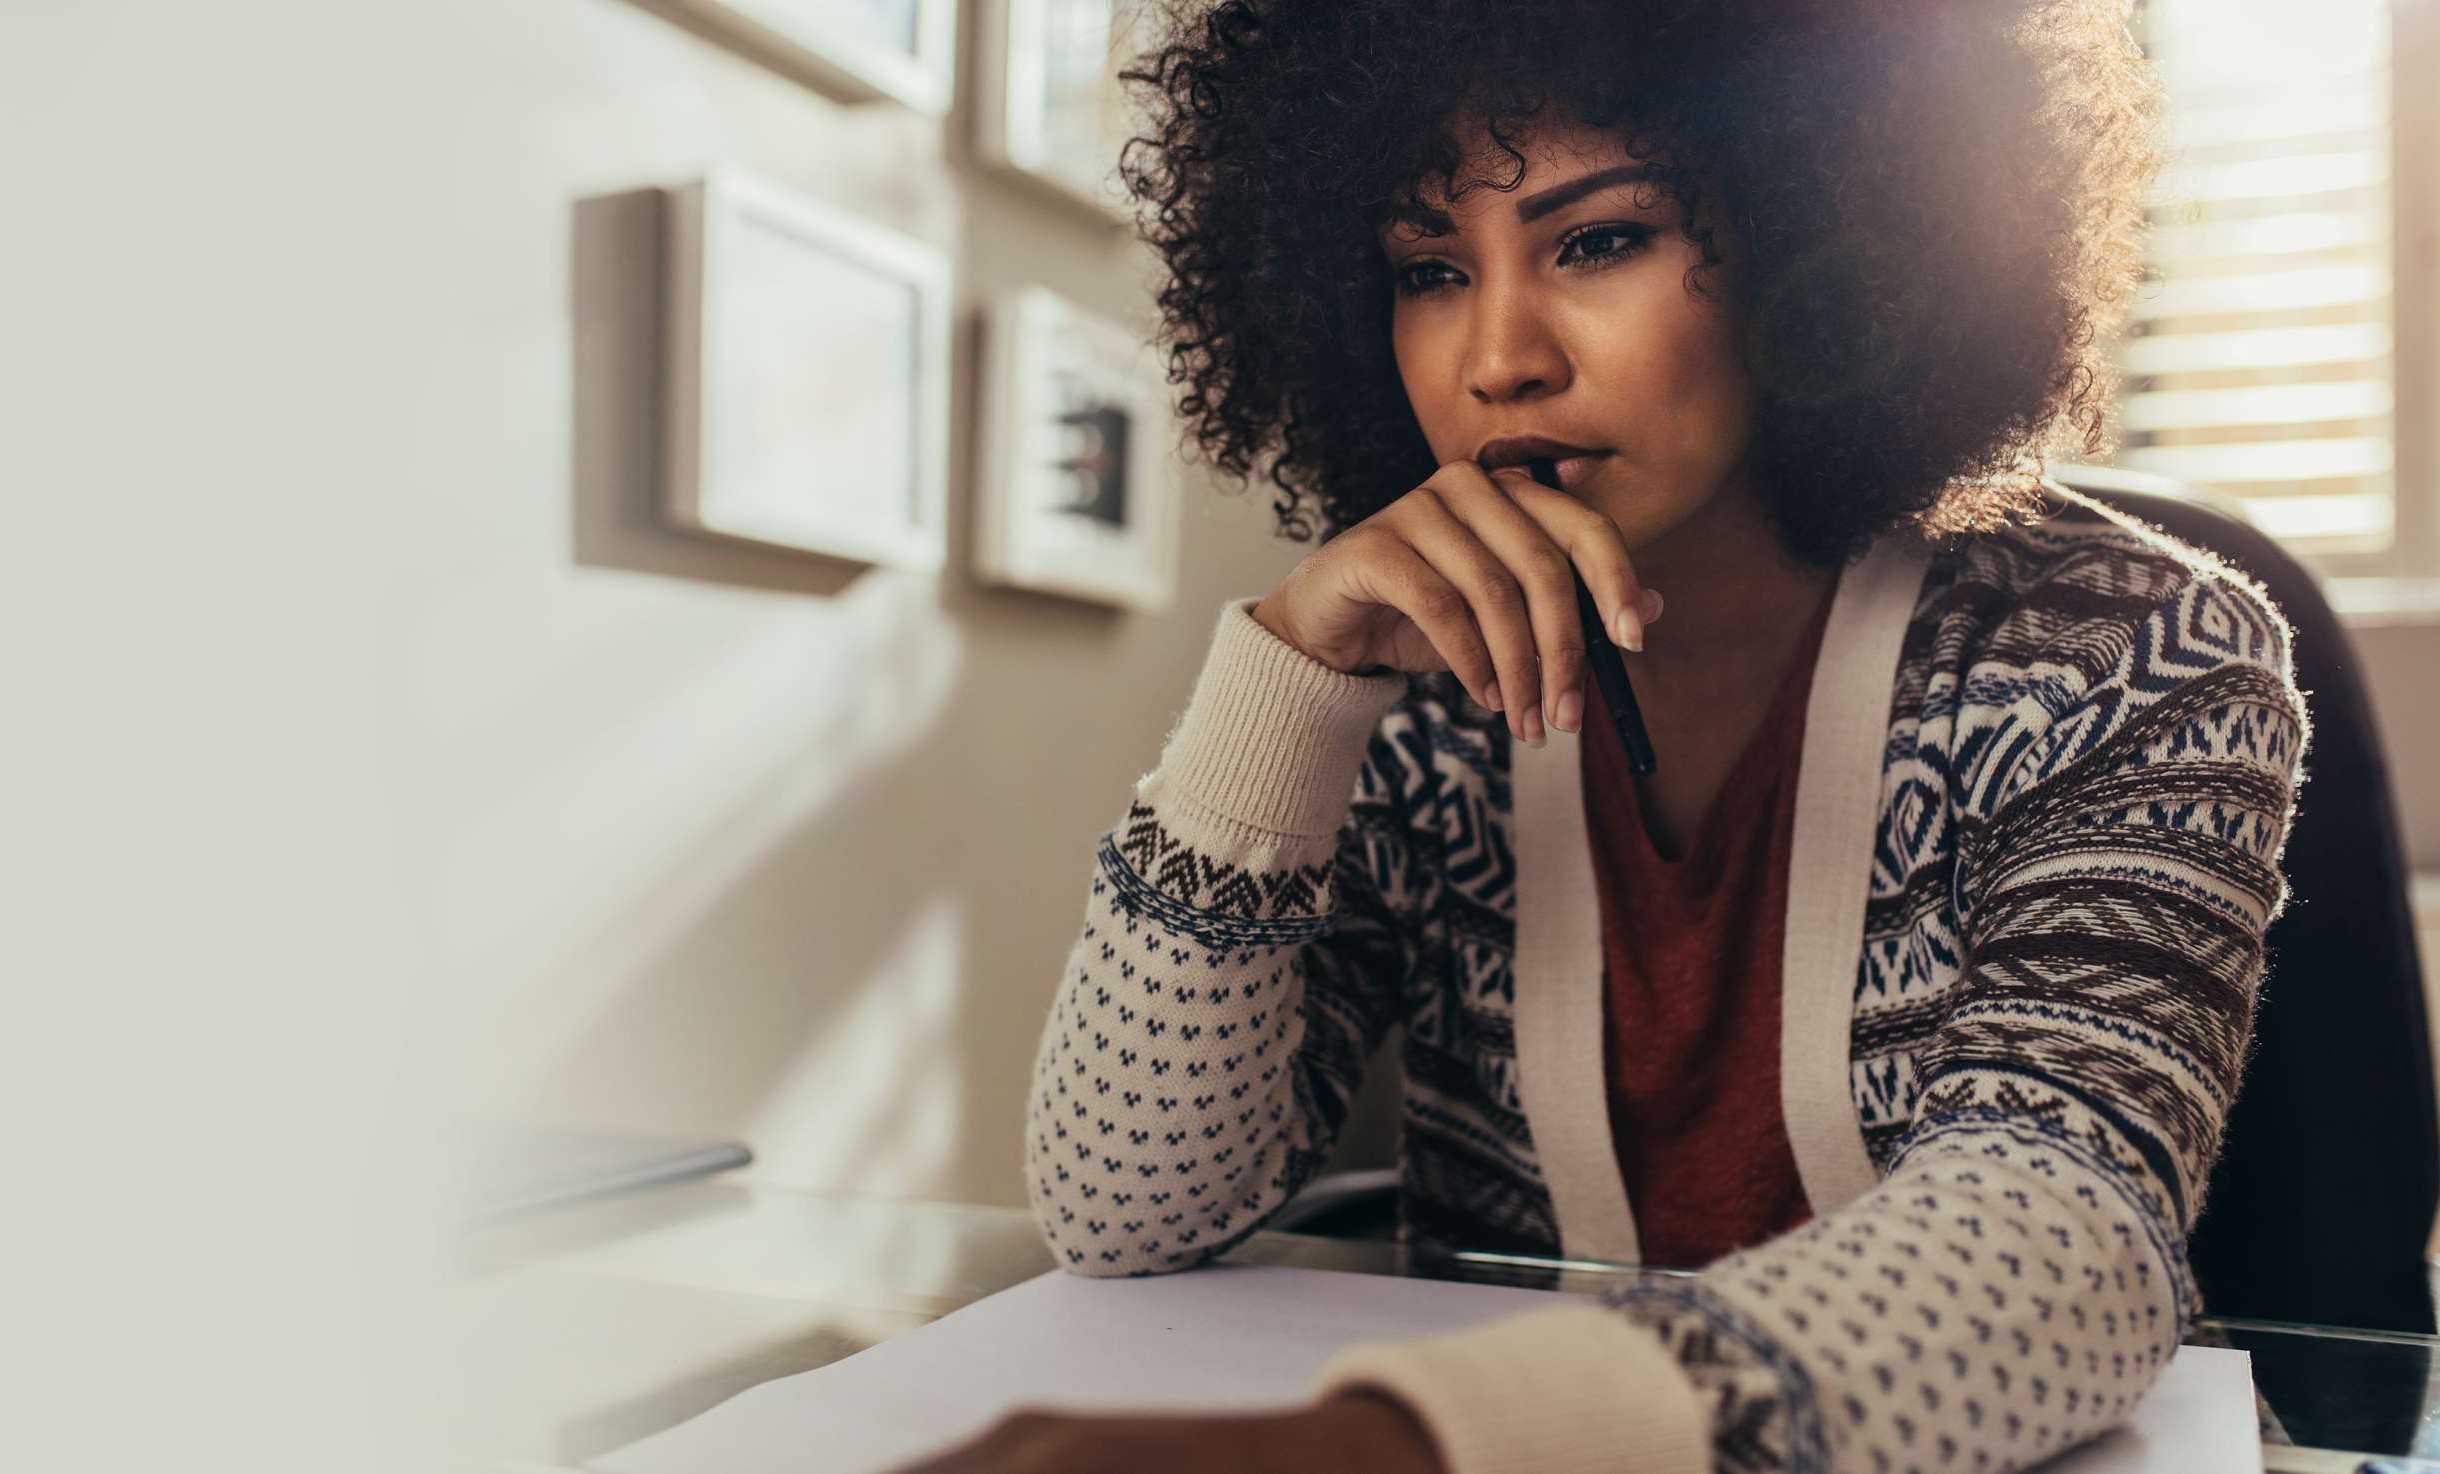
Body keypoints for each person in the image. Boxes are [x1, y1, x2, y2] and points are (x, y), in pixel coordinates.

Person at [897, 2, 2310, 1472]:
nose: (1495, 357)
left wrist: (1410, 1444)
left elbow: (2063, 1241)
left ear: (1817, 238)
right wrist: (1288, 676)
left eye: (1596, 240)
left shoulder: (2122, 652)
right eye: (1428, 271)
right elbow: (1126, 1204)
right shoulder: (1409, 697)